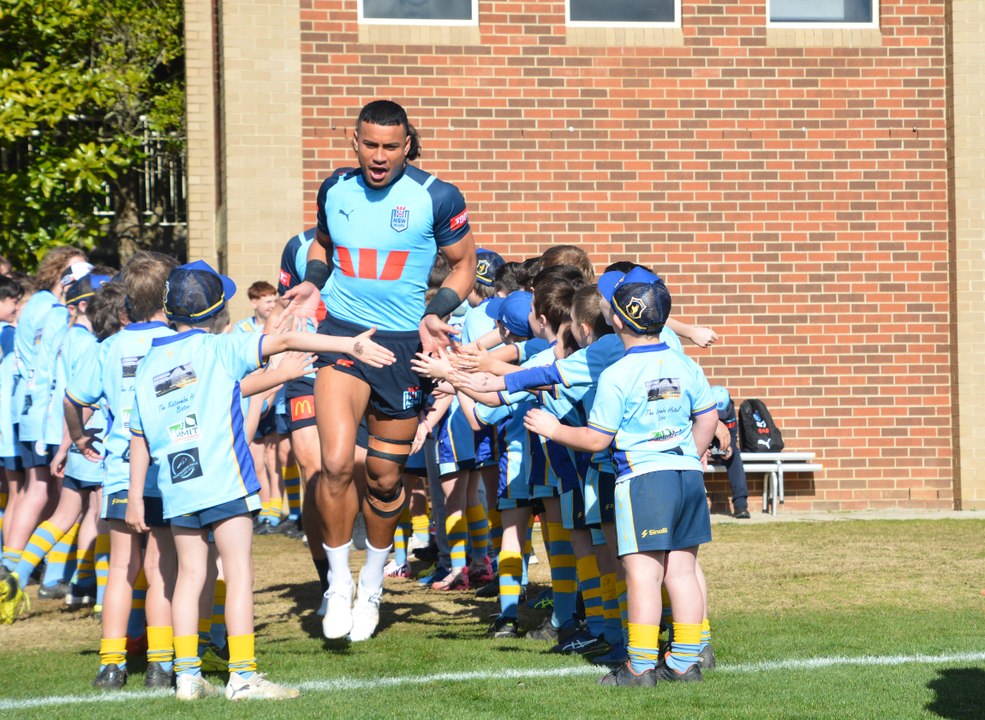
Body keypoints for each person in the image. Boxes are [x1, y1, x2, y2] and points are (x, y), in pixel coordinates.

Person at [127, 260, 392, 701]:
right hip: (225, 480)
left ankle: (187, 676)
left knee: (188, 577)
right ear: (218, 312)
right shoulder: (220, 348)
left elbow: (142, 432)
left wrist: (137, 496)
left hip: (177, 484)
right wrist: (348, 343)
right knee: (238, 574)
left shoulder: (151, 362)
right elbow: (284, 341)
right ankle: (243, 676)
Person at [283, 99, 476, 642]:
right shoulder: (334, 189)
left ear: (407, 145)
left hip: (402, 348)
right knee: (334, 464)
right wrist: (314, 281)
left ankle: (372, 581)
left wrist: (437, 312)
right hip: (345, 338)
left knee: (385, 477)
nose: (379, 156)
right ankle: (337, 582)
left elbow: (463, 264)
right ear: (355, 141)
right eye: (370, 144)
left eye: (391, 146)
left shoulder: (437, 195)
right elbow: (322, 243)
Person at [523, 267, 718, 686]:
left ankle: (640, 665)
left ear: (615, 320)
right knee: (682, 572)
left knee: (643, 575)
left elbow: (597, 439)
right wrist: (690, 454)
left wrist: (553, 429)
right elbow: (708, 417)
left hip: (644, 481)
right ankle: (686, 662)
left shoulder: (616, 374)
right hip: (686, 475)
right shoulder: (684, 364)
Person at [708, 385, 750, 519]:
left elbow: (732, 433)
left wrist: (729, 447)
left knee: (735, 456)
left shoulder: (729, 407)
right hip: (699, 443)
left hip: (720, 444)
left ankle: (741, 506)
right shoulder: (698, 407)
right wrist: (703, 448)